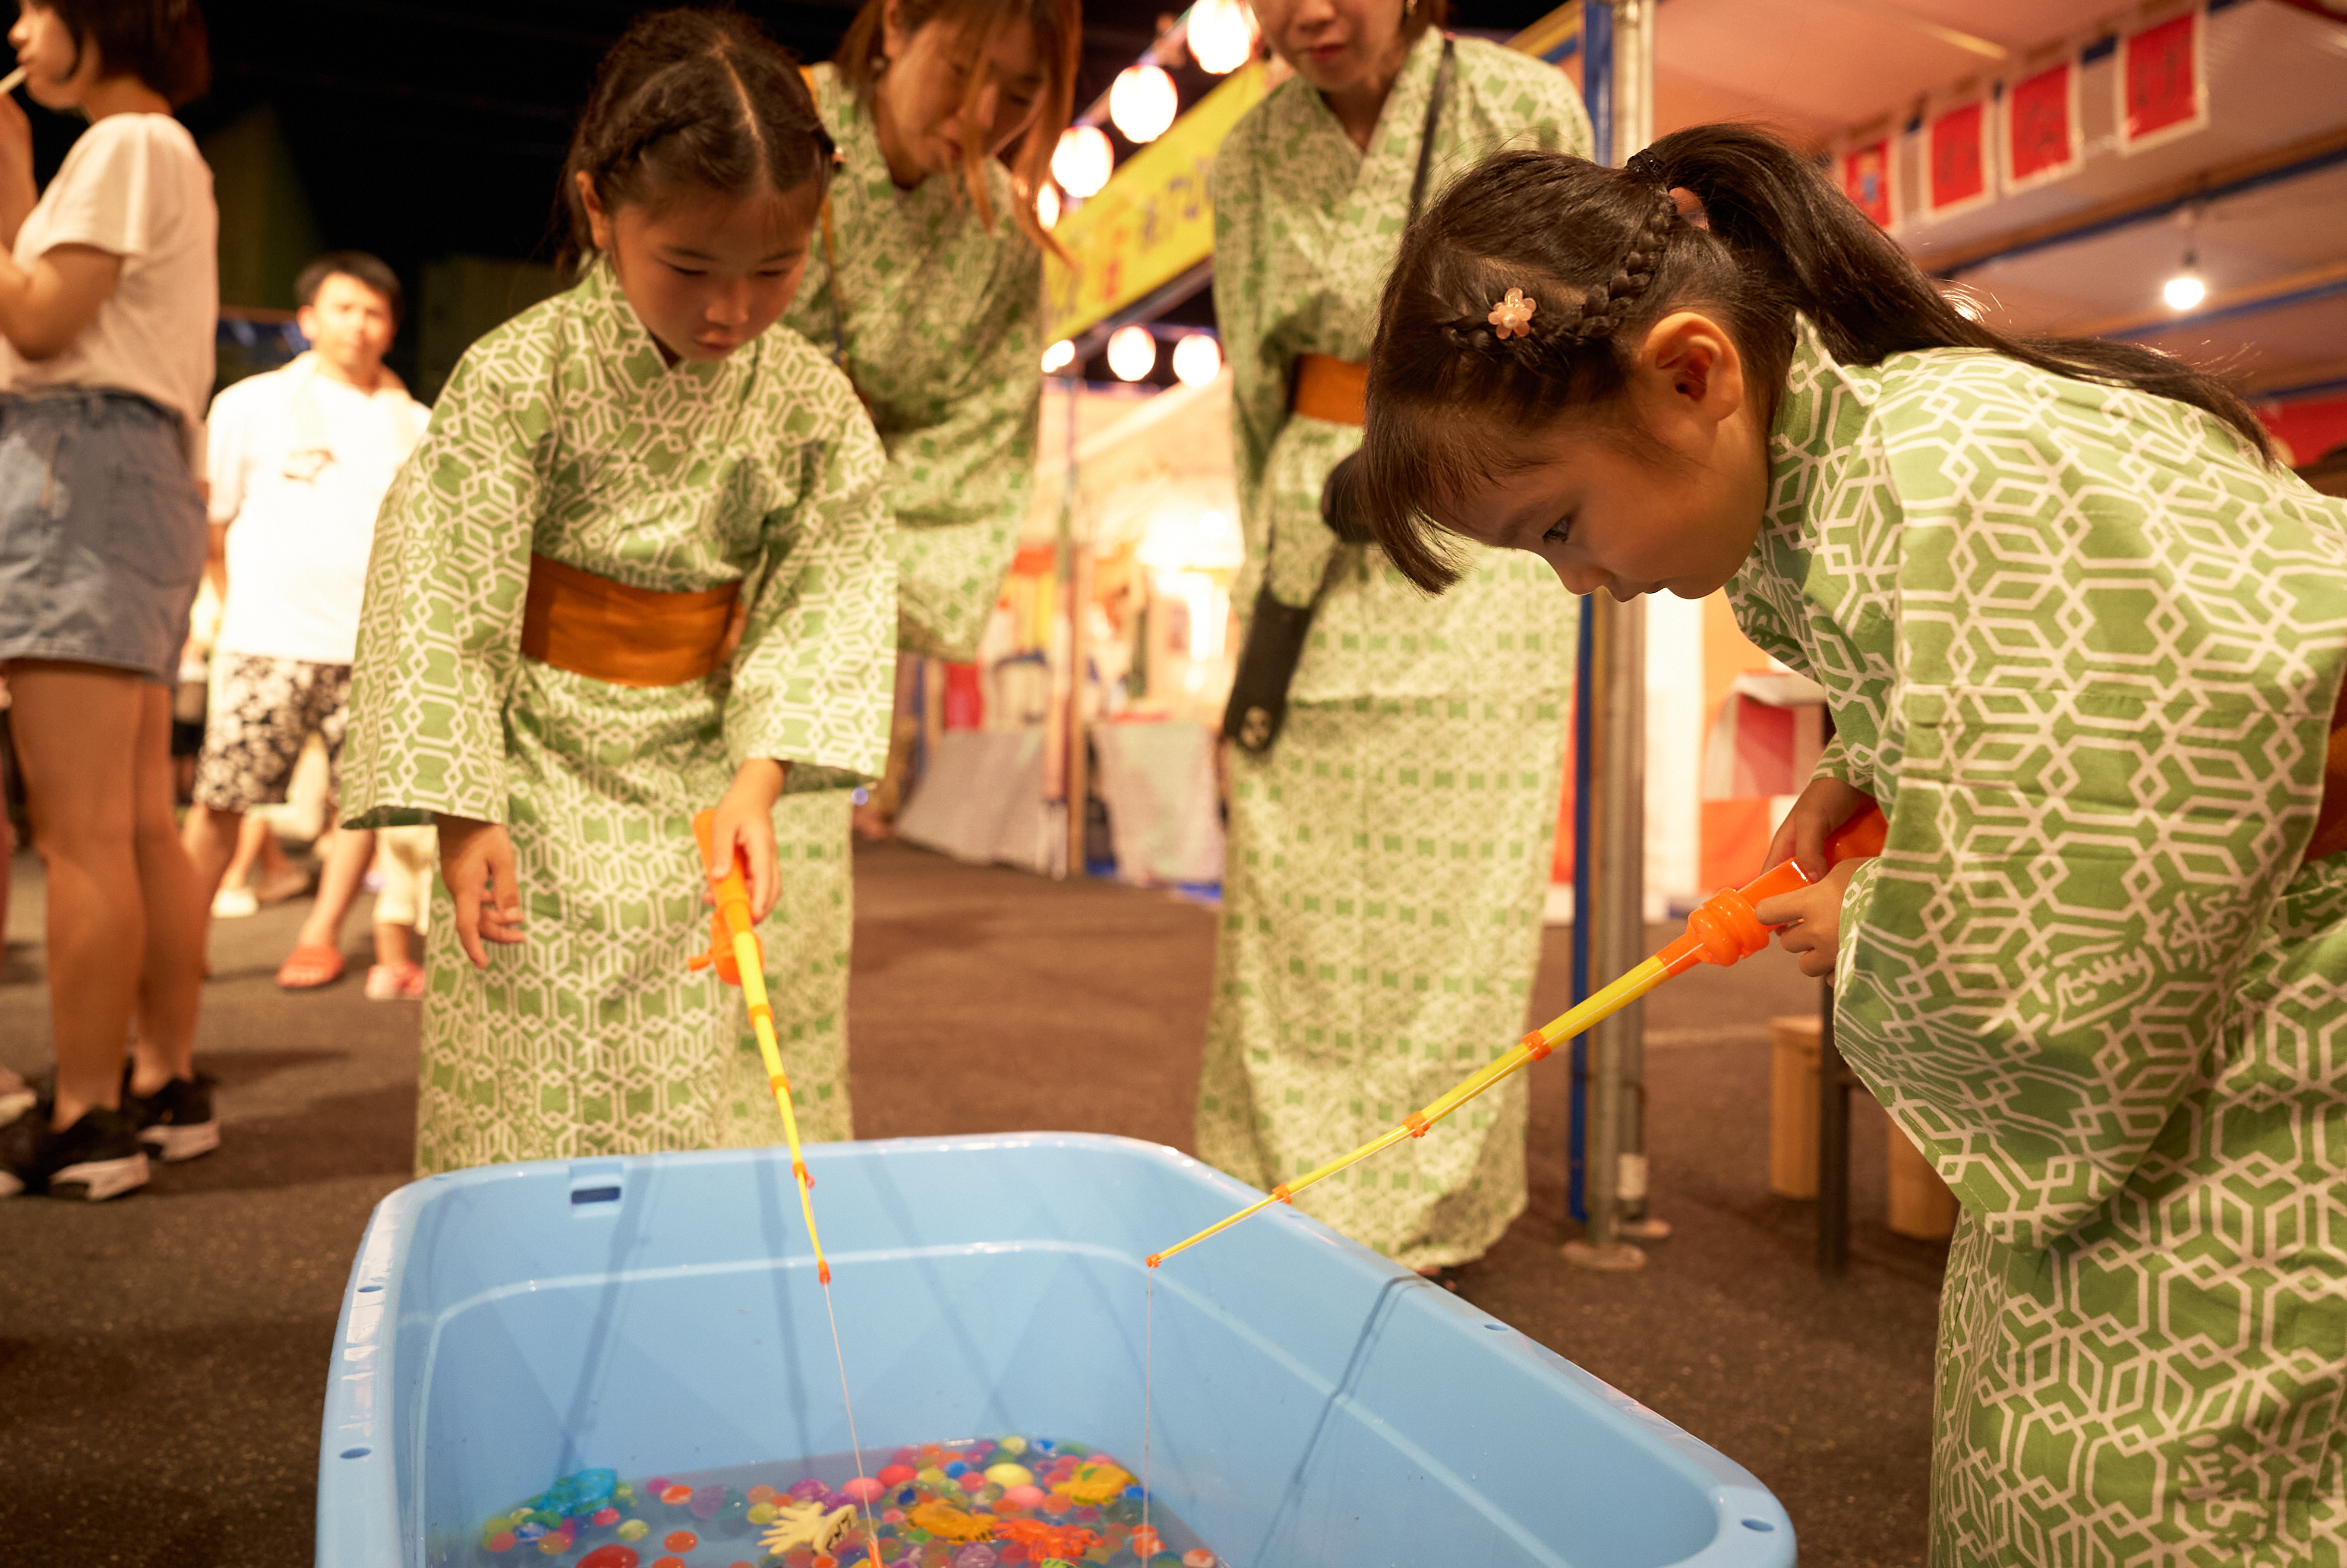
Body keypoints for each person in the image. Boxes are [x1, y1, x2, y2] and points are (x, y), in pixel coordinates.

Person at [1354, 128, 2347, 1562]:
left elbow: (2092, 900)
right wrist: (1870, 767)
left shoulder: (1957, 466)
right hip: (2206, 1005)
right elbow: (2050, 691)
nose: (1584, 582)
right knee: (2048, 1434)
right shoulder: (1860, 473)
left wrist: (1871, 930)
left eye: (1560, 525)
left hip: (2275, 1046)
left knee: (2165, 1496)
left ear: (1693, 375)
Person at [340, 8, 894, 1175]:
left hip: (713, 770)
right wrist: (462, 806)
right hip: (532, 773)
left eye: (775, 270)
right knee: (533, 1090)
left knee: (726, 1095)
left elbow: (826, 588)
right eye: (688, 265)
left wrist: (763, 775)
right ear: (600, 208)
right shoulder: (516, 378)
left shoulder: (809, 403)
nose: (730, 310)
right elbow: (442, 594)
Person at [1194, 0, 1589, 1272]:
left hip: (1485, 511)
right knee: (1288, 889)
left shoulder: (1522, 106)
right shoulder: (1245, 154)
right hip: (1318, 521)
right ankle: (1293, 1188)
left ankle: (1421, 1205)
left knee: (1460, 899)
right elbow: (1257, 390)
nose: (1303, 12)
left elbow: (1585, 340)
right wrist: (1273, 554)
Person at [0, 0, 217, 1199]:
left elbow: (37, 316)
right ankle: (161, 1081)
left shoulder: (125, 143)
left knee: (79, 826)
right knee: (133, 818)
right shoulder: (164, 149)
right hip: (137, 475)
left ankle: (87, 1117)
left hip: (76, 467)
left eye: (38, 5)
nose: (22, 28)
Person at [788, 0, 1075, 837]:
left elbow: (974, 457)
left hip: (819, 606)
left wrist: (809, 559)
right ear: (894, 28)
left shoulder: (1005, 240)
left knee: (782, 911)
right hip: (660, 573)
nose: (983, 117)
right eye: (962, 70)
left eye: (1021, 92)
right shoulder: (758, 129)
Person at [179, 251, 427, 989]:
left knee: (363, 809)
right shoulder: (249, 404)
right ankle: (180, 941)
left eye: (375, 311)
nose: (359, 324)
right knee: (222, 799)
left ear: (391, 327)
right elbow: (213, 523)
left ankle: (321, 932)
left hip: (375, 650)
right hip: (268, 639)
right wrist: (231, 607)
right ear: (308, 319)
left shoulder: (415, 421)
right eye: (344, 307)